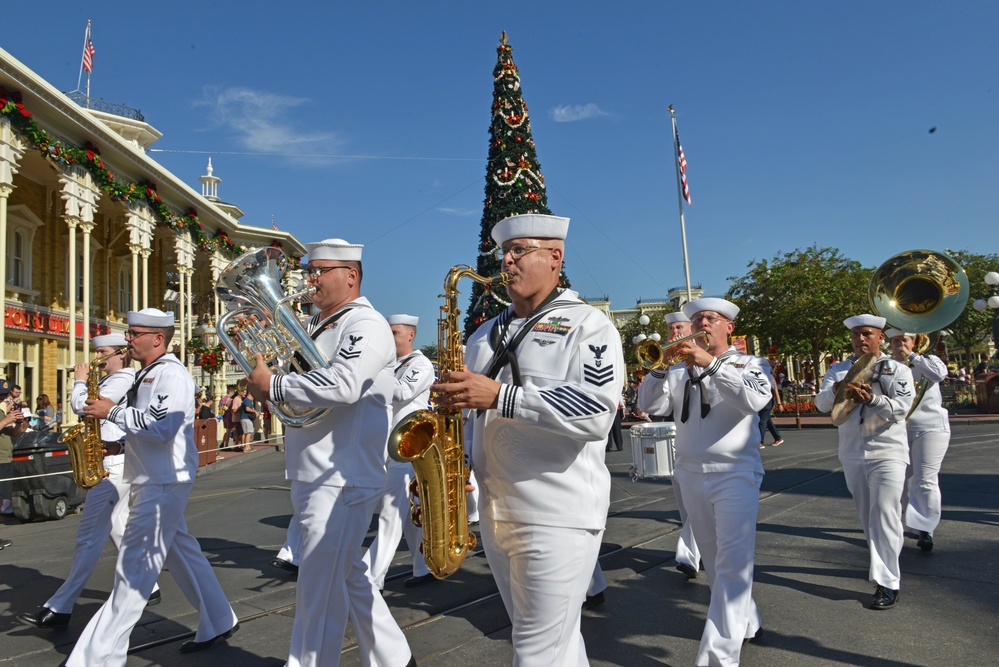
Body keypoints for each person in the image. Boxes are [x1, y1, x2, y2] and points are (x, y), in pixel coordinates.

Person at [434, 213, 624, 666]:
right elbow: (469, 415)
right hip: (499, 514)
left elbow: (597, 411)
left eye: (520, 250)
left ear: (555, 257)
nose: (508, 261)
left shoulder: (588, 327)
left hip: (557, 513)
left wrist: (501, 395)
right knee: (552, 645)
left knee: (537, 651)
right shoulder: (483, 335)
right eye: (505, 251)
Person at [244, 238, 414, 667]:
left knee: (317, 592)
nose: (309, 279)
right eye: (308, 270)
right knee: (347, 574)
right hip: (316, 472)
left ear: (351, 276)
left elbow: (344, 383)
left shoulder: (365, 324)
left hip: (342, 477)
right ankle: (396, 659)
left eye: (319, 270)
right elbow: (304, 393)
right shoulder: (321, 325)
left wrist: (276, 385)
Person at [67, 309, 238, 665]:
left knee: (134, 573)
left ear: (157, 338)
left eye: (133, 333)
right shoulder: (148, 373)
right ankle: (220, 618)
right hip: (150, 477)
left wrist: (111, 412)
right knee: (182, 552)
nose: (126, 340)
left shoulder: (171, 376)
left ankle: (93, 659)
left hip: (162, 481)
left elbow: (161, 429)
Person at [636, 297, 770, 665]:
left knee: (731, 564)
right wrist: (661, 367)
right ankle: (748, 619)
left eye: (711, 318)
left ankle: (717, 659)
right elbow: (648, 403)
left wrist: (710, 364)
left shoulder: (750, 363)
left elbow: (755, 400)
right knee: (715, 563)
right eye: (696, 318)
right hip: (691, 473)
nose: (702, 324)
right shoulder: (679, 369)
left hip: (735, 474)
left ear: (729, 327)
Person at [19, 334, 164, 630]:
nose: (98, 358)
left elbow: (83, 406)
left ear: (121, 354)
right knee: (118, 527)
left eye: (104, 352)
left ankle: (61, 605)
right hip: (112, 460)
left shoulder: (121, 378)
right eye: (96, 352)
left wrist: (80, 380)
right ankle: (149, 584)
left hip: (112, 465)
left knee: (88, 536)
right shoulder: (118, 377)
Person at [815, 314, 913, 611]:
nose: (861, 339)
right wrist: (836, 389)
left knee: (884, 512)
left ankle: (887, 581)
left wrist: (872, 400)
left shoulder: (896, 369)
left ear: (880, 337)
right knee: (867, 516)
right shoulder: (838, 369)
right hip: (853, 452)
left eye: (867, 334)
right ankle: (885, 561)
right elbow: (821, 406)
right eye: (856, 334)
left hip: (888, 451)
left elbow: (901, 409)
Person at [361, 314, 435, 590]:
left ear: (410, 336)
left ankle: (370, 575)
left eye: (394, 333)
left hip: (408, 448)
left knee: (391, 512)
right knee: (405, 516)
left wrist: (374, 373)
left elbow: (402, 392)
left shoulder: (420, 364)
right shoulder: (392, 365)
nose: (390, 339)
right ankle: (424, 565)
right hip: (386, 445)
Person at [642, 310, 703, 580]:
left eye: (679, 327)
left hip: (718, 454)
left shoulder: (714, 361)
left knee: (703, 510)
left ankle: (688, 556)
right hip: (685, 452)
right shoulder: (673, 370)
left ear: (693, 329)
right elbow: (651, 405)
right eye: (670, 330)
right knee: (689, 509)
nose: (674, 334)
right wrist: (661, 368)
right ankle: (696, 554)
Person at [887, 329, 950, 552]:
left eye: (904, 340)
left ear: (914, 342)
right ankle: (905, 523)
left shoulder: (929, 360)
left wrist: (912, 357)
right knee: (900, 480)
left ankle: (926, 529)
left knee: (925, 478)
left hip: (930, 426)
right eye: (895, 341)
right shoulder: (887, 365)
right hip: (900, 429)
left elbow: (938, 375)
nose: (899, 345)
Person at [1, 380, 25, 528]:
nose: (2, 398)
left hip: (5, 457)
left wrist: (18, 423)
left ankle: (5, 515)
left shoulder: (2, 411)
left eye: (4, 395)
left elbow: (13, 434)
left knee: (4, 493)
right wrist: (7, 419)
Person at [758, 382, 784, 448]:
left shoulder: (769, 376)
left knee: (762, 420)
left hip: (768, 400)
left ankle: (760, 442)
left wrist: (779, 403)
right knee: (767, 420)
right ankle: (778, 438)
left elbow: (775, 390)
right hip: (760, 399)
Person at [218, 385, 237, 450]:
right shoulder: (231, 400)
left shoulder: (222, 399)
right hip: (229, 416)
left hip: (224, 416)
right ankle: (226, 445)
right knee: (229, 431)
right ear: (231, 392)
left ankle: (223, 442)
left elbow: (219, 407)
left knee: (227, 430)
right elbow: (232, 409)